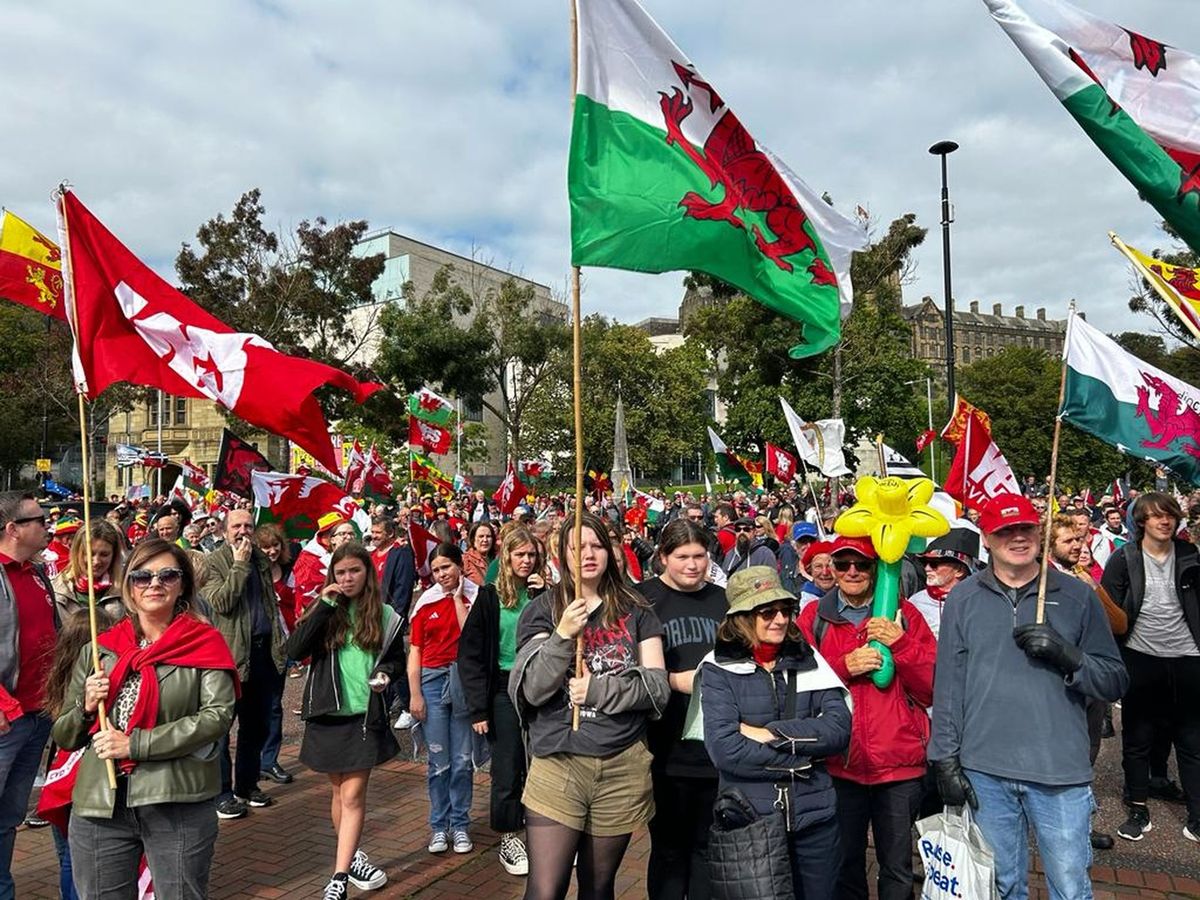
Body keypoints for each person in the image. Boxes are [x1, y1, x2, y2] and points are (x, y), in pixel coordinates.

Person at [930, 493, 1128, 900]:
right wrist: (944, 757)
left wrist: (1069, 657)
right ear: (986, 537)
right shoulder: (963, 599)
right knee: (1002, 886)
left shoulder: (1078, 596)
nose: (1017, 538)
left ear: (1039, 532)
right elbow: (949, 685)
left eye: (1024, 528)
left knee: (1070, 887)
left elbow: (1114, 680)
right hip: (985, 770)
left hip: (1060, 772)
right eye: (1005, 530)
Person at [53, 539, 238, 899]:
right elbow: (65, 735)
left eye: (167, 575)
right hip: (101, 803)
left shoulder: (205, 642)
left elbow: (217, 717)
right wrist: (86, 706)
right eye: (141, 576)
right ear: (128, 586)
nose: (154, 584)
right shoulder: (99, 647)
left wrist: (135, 744)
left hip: (177, 799)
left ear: (182, 583)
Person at [509, 512, 668, 900]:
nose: (589, 554)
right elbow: (533, 689)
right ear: (561, 554)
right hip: (558, 762)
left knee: (598, 888)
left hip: (620, 764)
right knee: (546, 889)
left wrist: (599, 691)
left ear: (612, 551)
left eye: (597, 545)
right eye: (577, 547)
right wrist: (562, 635)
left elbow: (657, 688)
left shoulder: (637, 610)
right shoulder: (543, 610)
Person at [798, 535, 937, 900]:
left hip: (898, 764)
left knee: (897, 868)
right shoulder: (814, 617)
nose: (852, 572)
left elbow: (933, 687)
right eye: (842, 564)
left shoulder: (905, 614)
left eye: (861, 563)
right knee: (845, 864)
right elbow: (797, 685)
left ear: (876, 567)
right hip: (839, 763)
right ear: (832, 569)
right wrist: (844, 666)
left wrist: (901, 644)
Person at [700, 566, 851, 900]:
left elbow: (839, 730)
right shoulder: (717, 668)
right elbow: (726, 751)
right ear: (742, 617)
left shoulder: (809, 659)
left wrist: (768, 733)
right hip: (751, 819)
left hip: (816, 818)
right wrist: (804, 756)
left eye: (785, 610)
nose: (780, 619)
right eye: (767, 612)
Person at [287, 543, 402, 899]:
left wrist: (385, 673)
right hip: (327, 714)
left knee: (352, 794)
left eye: (354, 571)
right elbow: (294, 651)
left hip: (364, 716)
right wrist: (324, 604)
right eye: (341, 573)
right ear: (332, 576)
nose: (348, 578)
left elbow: (395, 658)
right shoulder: (326, 610)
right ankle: (350, 857)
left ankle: (338, 877)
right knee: (339, 792)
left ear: (368, 573)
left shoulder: (384, 614)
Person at [1101, 492, 1200, 844]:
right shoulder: (1123, 558)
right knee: (1138, 737)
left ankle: (1196, 814)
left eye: (1170, 515)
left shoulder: (1190, 555)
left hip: (1188, 657)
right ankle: (1138, 806)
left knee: (1190, 737)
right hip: (1141, 656)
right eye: (1156, 516)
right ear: (1141, 521)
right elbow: (1111, 614)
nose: (1165, 521)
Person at [636, 520, 727, 900]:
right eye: (682, 557)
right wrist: (673, 681)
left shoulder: (723, 599)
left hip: (716, 747)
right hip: (665, 747)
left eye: (700, 556)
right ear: (662, 558)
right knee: (670, 849)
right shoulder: (642, 599)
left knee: (709, 848)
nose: (692, 565)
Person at [458, 526, 545, 877]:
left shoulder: (544, 594)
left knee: (541, 762)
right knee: (508, 765)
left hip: (539, 684)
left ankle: (545, 832)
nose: (526, 561)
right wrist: (478, 707)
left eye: (531, 555)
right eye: (520, 555)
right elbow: (471, 653)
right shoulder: (490, 596)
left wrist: (547, 595)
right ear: (506, 557)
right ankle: (510, 834)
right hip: (503, 687)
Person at [201, 508, 287, 820]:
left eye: (248, 525)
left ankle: (247, 785)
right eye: (237, 526)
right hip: (229, 656)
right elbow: (221, 602)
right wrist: (238, 565)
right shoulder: (214, 563)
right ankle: (222, 792)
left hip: (263, 652)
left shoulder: (262, 561)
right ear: (224, 531)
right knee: (222, 728)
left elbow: (268, 605)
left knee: (257, 725)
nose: (243, 531)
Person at [0, 492, 55, 900]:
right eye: (39, 519)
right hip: (8, 717)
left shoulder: (38, 573)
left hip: (38, 714)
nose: (47, 524)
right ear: (13, 529)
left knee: (10, 815)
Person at [408, 543, 478, 855]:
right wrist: (415, 694)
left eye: (447, 567)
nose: (441, 575)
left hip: (463, 681)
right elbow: (416, 651)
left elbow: (471, 636)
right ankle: (439, 825)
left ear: (459, 565)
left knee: (463, 761)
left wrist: (458, 596)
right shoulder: (424, 603)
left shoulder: (476, 597)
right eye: (436, 570)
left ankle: (460, 824)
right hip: (432, 681)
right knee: (439, 762)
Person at [254, 523, 297, 787]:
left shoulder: (289, 571)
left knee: (273, 706)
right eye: (265, 546)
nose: (271, 551)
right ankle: (252, 760)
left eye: (275, 545)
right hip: (256, 647)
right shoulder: (250, 573)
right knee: (251, 708)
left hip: (281, 647)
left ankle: (269, 759)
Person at [907, 529, 979, 639]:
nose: (927, 568)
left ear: (959, 571)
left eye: (934, 564)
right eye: (924, 562)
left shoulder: (978, 601)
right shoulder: (915, 602)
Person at [51, 521, 126, 624]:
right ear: (77, 552)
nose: (96, 562)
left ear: (114, 555)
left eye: (104, 554)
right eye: (89, 554)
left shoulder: (127, 591)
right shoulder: (55, 590)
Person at [463, 522, 497, 586]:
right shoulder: (465, 561)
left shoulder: (498, 559)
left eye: (488, 536)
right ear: (473, 540)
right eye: (481, 536)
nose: (485, 540)